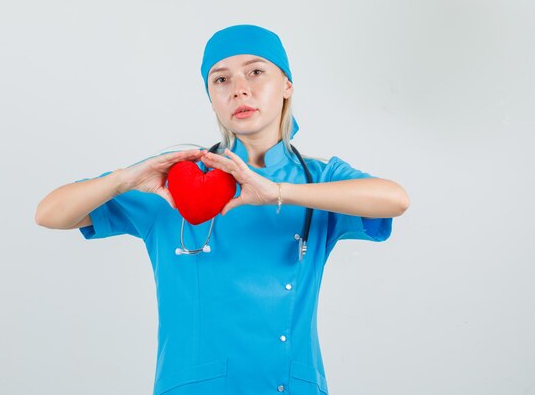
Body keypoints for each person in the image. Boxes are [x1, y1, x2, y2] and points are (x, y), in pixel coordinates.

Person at [35, 24, 409, 395]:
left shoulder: (318, 178)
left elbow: (395, 199)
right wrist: (123, 179)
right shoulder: (173, 180)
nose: (239, 89)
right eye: (221, 80)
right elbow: (50, 213)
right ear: (211, 98)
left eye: (256, 72)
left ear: (287, 86)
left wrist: (279, 192)